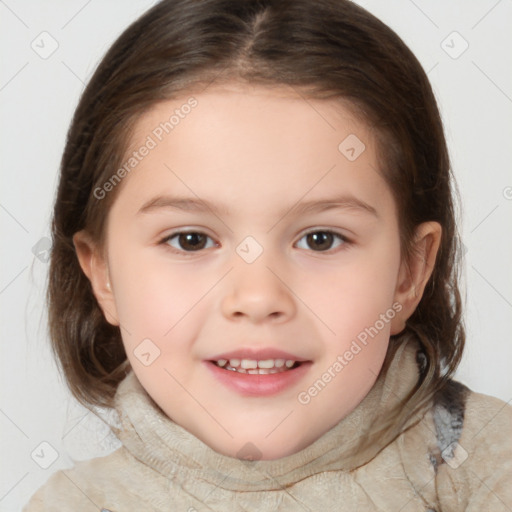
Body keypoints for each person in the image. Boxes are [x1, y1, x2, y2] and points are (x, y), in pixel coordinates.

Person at [23, 0, 512, 510]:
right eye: (190, 240)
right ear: (102, 275)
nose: (257, 298)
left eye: (321, 239)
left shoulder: (490, 472)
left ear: (409, 272)